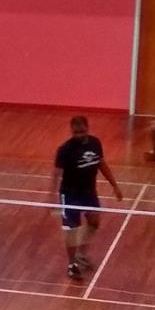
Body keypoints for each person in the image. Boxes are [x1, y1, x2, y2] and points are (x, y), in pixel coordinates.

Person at [53, 115, 121, 280]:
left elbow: (101, 164)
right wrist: (51, 197)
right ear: (71, 131)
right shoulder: (65, 150)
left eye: (82, 132)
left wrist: (114, 185)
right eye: (76, 132)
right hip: (70, 194)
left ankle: (81, 254)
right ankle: (72, 265)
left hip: (89, 192)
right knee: (72, 230)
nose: (79, 135)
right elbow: (56, 174)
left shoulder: (95, 143)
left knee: (94, 222)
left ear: (87, 128)